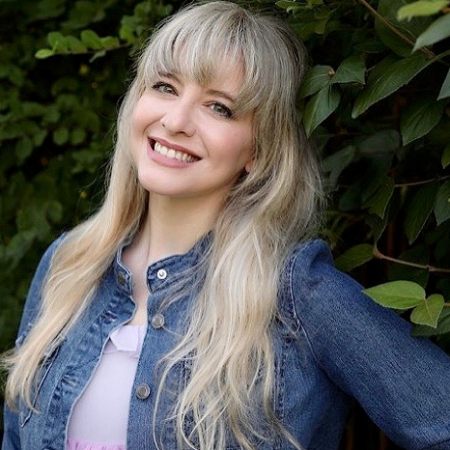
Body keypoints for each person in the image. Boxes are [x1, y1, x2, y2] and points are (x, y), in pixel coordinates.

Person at [2, 1, 450, 449]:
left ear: (258, 149)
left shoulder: (295, 295)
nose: (175, 121)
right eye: (165, 86)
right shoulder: (70, 264)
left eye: (219, 108)